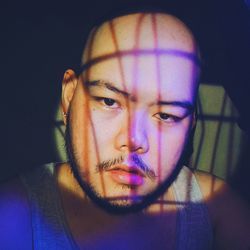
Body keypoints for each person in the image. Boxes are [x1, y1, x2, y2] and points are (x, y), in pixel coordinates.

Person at [1, 6, 250, 250]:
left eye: (166, 115)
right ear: (69, 97)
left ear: (190, 126)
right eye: (109, 101)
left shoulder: (213, 206)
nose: (133, 139)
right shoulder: (13, 215)